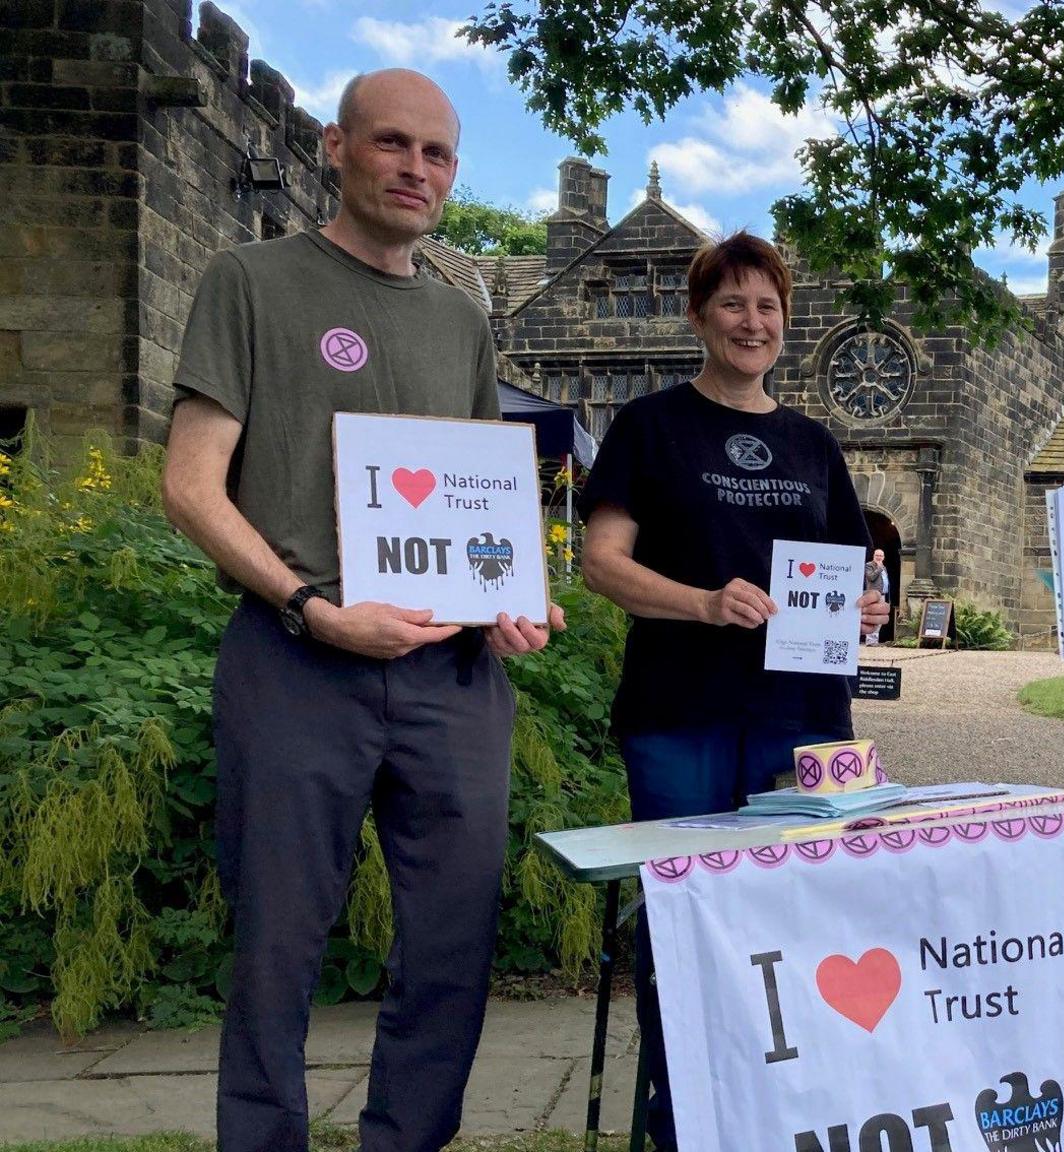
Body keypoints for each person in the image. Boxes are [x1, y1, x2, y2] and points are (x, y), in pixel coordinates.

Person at [160, 69, 564, 1152]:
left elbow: (483, 492)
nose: (415, 170)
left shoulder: (459, 318)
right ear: (336, 147)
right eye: (393, 144)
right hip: (299, 662)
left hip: (449, 679)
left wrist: (508, 600)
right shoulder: (251, 281)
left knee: (450, 944)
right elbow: (191, 484)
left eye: (436, 154)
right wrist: (308, 604)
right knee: (278, 946)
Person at [578, 231, 889, 1151]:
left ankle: (782, 1115)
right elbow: (601, 564)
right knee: (685, 919)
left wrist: (865, 611)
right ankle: (680, 1117)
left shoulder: (812, 444)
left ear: (785, 323)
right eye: (732, 304)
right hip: (679, 716)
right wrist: (704, 604)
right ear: (697, 316)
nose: (752, 322)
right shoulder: (650, 426)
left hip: (802, 722)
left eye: (768, 307)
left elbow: (847, 576)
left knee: (799, 919)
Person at [863, 547, 889, 644]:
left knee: (879, 618)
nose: (879, 557)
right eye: (877, 555)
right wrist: (878, 568)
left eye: (881, 555)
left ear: (884, 557)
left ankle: (874, 639)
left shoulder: (884, 567)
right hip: (873, 595)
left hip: (882, 595)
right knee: (872, 617)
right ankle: (870, 640)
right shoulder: (869, 565)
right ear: (874, 556)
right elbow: (871, 577)